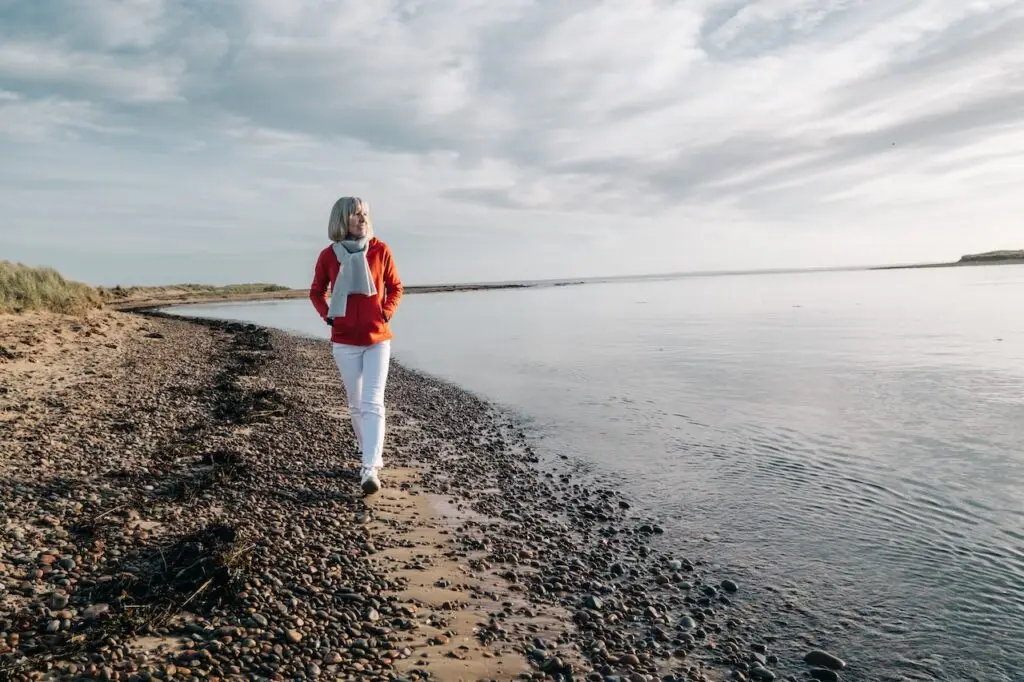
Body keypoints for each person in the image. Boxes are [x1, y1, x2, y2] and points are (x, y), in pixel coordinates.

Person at [309, 196, 403, 495]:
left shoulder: (380, 249)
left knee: (373, 402)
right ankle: (368, 455)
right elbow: (316, 292)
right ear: (342, 220)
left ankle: (370, 466)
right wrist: (329, 317)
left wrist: (386, 311)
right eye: (355, 215)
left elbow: (396, 287)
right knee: (355, 403)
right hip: (345, 341)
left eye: (364, 214)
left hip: (377, 338)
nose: (362, 219)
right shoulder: (328, 255)